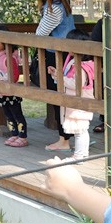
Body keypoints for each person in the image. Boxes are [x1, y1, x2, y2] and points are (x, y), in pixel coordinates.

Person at [34, 0, 75, 150]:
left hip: (57, 56)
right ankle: (67, 136)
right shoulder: (62, 5)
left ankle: (64, 140)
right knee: (63, 96)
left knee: (58, 97)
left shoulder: (54, 8)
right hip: (65, 55)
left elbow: (40, 33)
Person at [48, 29, 95, 159]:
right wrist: (56, 75)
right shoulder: (73, 61)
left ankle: (80, 155)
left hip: (80, 101)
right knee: (78, 130)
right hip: (73, 102)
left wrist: (59, 77)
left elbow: (76, 84)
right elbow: (66, 79)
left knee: (81, 130)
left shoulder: (83, 66)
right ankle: (79, 154)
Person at [0, 28, 28, 147]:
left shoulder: (8, 57)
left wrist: (4, 84)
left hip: (11, 92)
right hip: (1, 92)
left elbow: (15, 76)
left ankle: (23, 136)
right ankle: (14, 134)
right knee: (8, 115)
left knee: (17, 115)